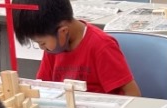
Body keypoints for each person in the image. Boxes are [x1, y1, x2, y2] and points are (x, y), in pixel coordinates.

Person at [12, 0, 141, 96]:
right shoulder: (54, 47)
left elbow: (132, 93)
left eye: (42, 43)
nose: (42, 48)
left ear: (63, 31)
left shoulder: (102, 46)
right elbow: (44, 86)